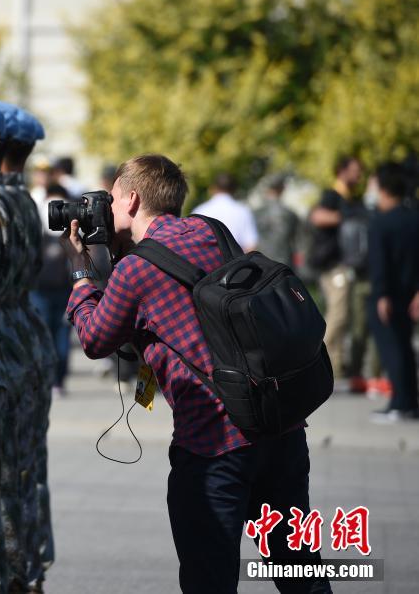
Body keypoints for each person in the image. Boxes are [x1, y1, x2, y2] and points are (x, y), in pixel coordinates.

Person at [60, 154, 331, 594]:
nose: (102, 211)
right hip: (277, 425)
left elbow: (95, 339)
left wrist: (80, 274)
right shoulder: (212, 230)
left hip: (213, 447)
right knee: (300, 572)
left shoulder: (134, 270)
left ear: (131, 200)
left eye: (108, 200)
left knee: (210, 581)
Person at [308, 156, 370, 386]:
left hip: (343, 265)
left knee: (343, 317)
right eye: (355, 170)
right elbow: (318, 217)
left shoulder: (350, 196)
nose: (358, 176)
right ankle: (316, 361)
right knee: (338, 315)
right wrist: (346, 217)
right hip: (333, 265)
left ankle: (334, 363)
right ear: (341, 171)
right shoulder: (332, 195)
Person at [366, 163, 419, 423]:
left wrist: (382, 294)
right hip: (411, 295)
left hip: (387, 297)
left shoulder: (380, 223)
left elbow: (379, 264)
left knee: (392, 349)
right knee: (406, 349)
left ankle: (400, 403)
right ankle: (411, 400)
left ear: (384, 189)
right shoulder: (414, 217)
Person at [30, 183, 73, 395]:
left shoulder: (70, 234)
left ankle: (53, 379)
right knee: (53, 335)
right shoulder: (68, 224)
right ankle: (52, 379)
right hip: (52, 290)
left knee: (54, 335)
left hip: (52, 290)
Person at [192, 172, 258, 252]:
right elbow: (251, 244)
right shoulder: (243, 211)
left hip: (207, 261)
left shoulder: (200, 210)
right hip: (237, 261)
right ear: (234, 189)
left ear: (213, 188)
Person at [253, 173, 298, 268]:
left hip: (261, 261)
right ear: (282, 189)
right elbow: (298, 241)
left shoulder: (255, 213)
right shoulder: (290, 214)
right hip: (284, 263)